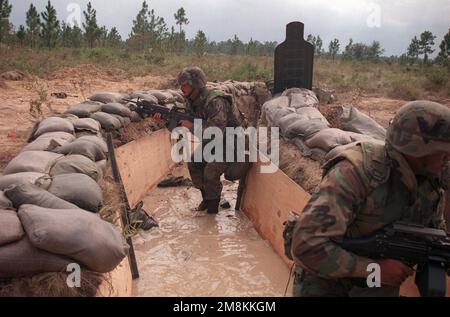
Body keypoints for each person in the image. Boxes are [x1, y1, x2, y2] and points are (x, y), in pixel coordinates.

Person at [290, 100, 450, 297]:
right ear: (418, 150)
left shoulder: (431, 183)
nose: (447, 159)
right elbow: (306, 246)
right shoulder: (357, 172)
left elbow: (435, 234)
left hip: (376, 287)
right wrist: (374, 269)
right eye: (443, 153)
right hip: (327, 285)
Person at [156, 67, 247, 214]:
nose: (181, 88)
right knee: (194, 163)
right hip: (214, 142)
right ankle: (207, 199)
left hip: (232, 142)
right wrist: (167, 121)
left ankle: (212, 211)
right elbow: (181, 129)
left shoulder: (215, 101)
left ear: (196, 85)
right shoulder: (191, 102)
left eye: (185, 84)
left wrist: (192, 126)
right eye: (181, 84)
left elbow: (215, 132)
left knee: (211, 170)